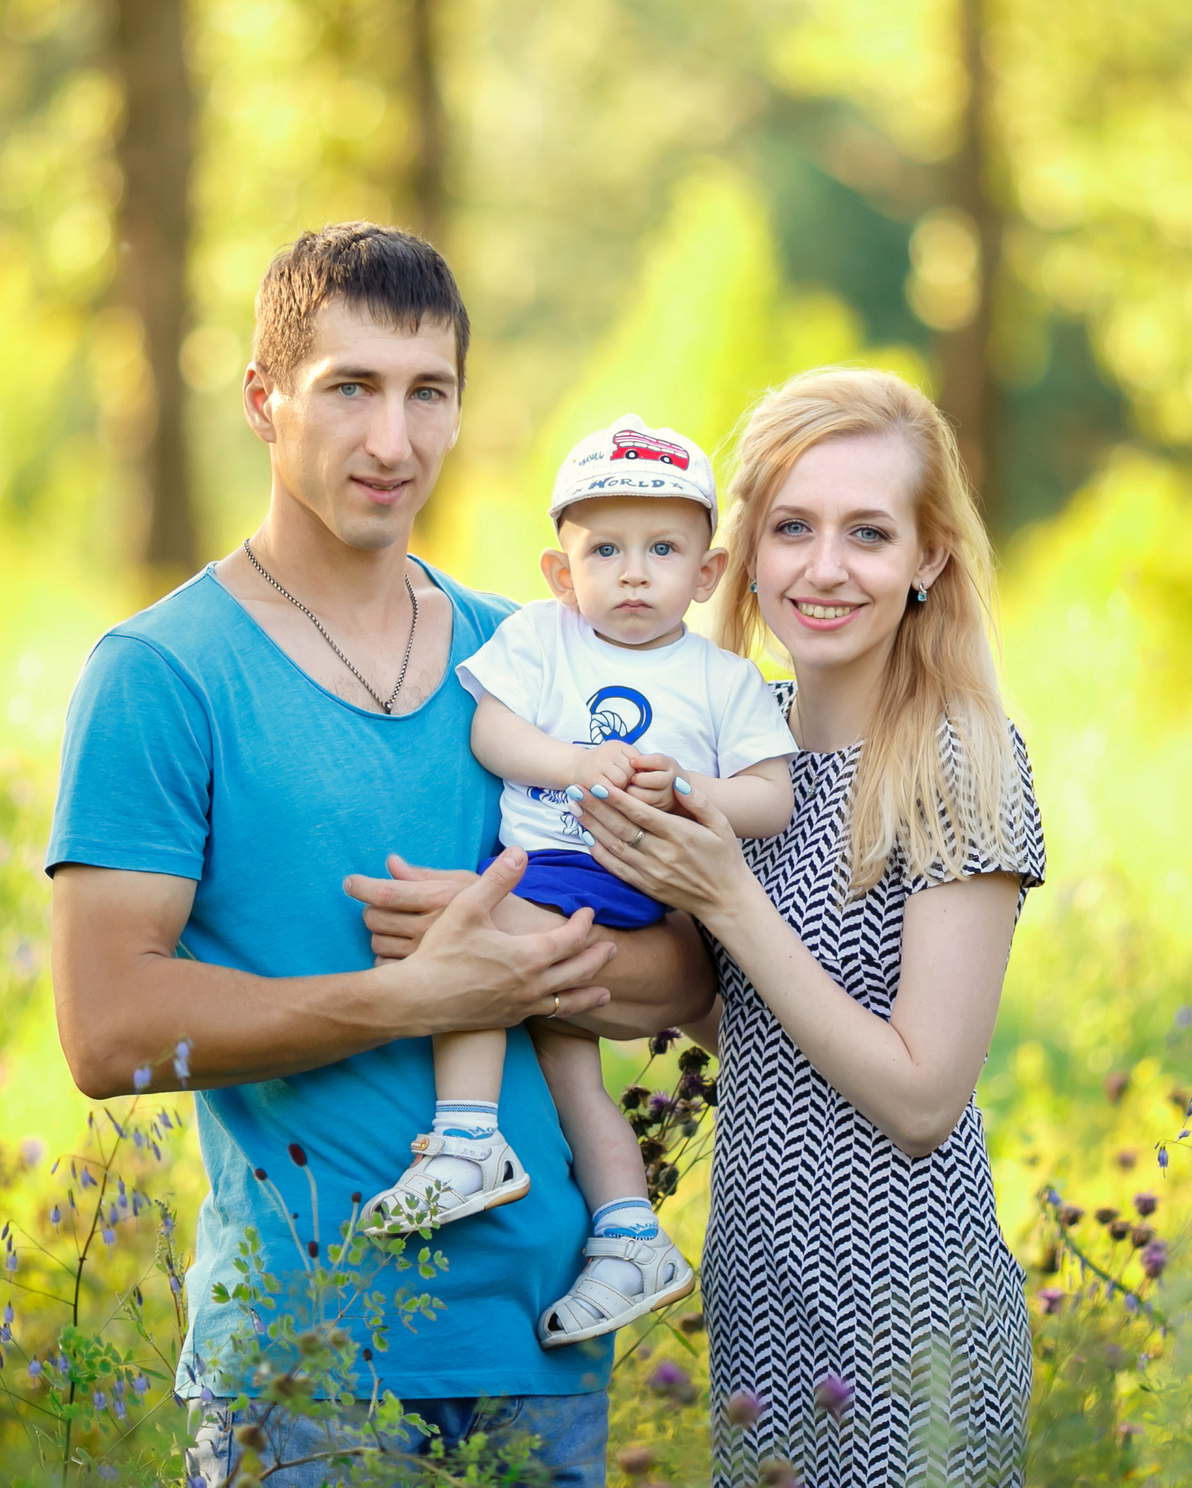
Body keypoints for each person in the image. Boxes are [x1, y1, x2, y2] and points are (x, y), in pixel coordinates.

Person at [43, 224, 712, 1488]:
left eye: (429, 393)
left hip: (543, 1343)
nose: (393, 443)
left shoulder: (543, 659)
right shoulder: (160, 675)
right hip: (303, 1365)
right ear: (263, 400)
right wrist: (411, 1000)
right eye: (350, 388)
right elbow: (107, 1031)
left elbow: (680, 980)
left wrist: (513, 952)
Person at [356, 367, 1042, 1487]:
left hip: (907, 1314)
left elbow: (922, 1100)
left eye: (868, 534)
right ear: (745, 556)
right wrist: (489, 929)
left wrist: (727, 895)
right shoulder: (742, 745)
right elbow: (720, 1016)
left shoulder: (958, 761)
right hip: (762, 1298)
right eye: (792, 529)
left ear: (927, 560)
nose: (823, 568)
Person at [360, 414, 798, 1351]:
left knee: (472, 941)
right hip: (548, 860)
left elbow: (772, 797)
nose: (633, 571)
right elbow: (493, 733)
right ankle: (631, 1233)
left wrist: (680, 787)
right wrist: (571, 763)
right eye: (605, 549)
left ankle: (470, 1135)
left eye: (663, 548)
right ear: (563, 572)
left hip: (631, 870)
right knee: (571, 1068)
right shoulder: (541, 637)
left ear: (710, 573)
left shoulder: (721, 680)